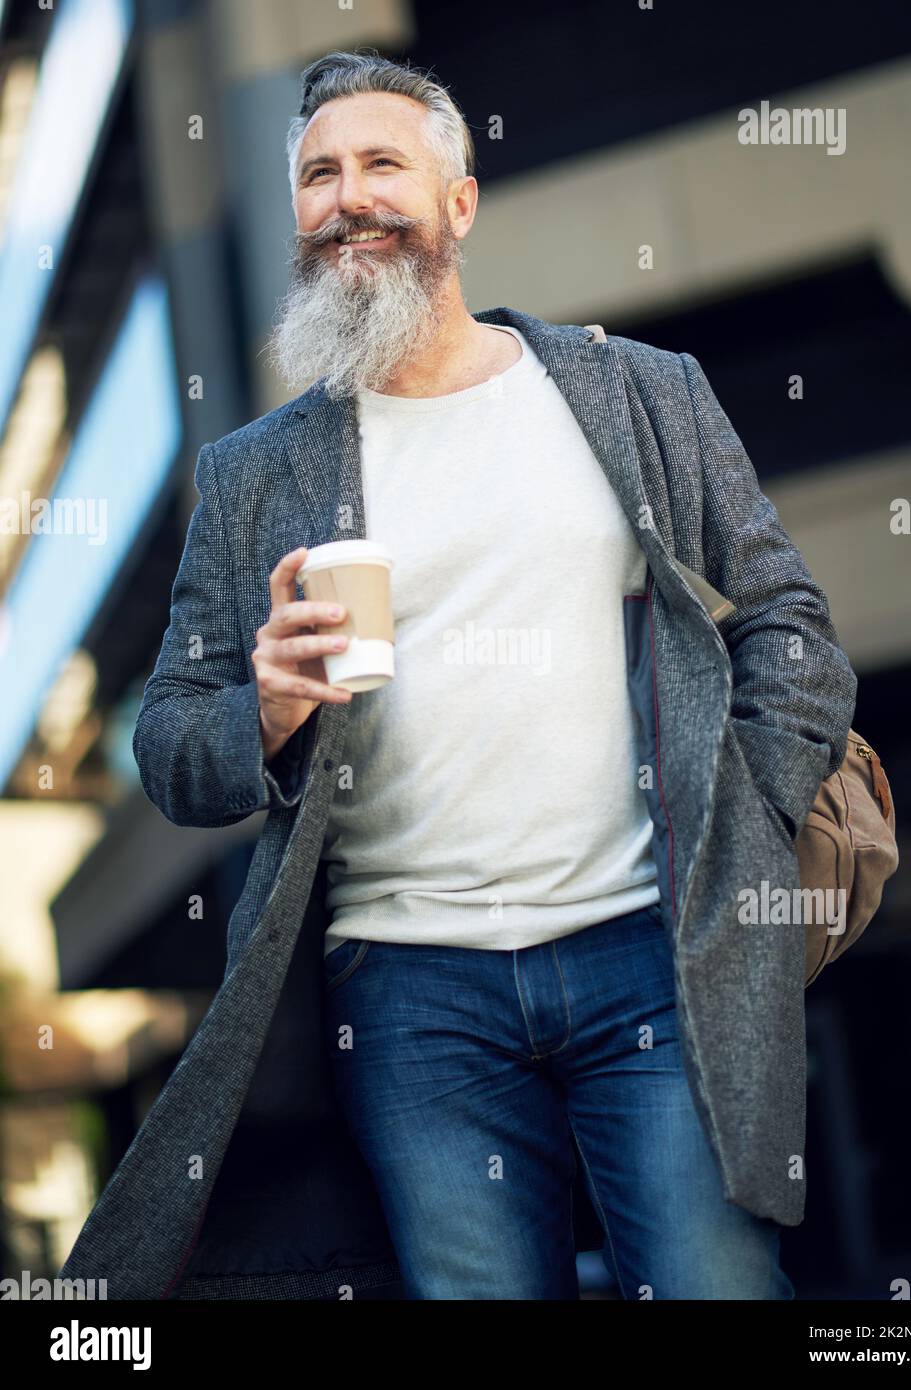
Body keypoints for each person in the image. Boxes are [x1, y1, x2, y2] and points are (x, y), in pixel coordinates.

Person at [59, 48, 857, 1301]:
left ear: (458, 202)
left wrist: (747, 811)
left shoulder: (633, 392)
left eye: (382, 163)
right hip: (409, 991)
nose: (346, 195)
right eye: (318, 174)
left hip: (645, 949)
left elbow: (787, 618)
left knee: (715, 1284)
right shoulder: (255, 475)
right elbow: (168, 743)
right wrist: (262, 708)